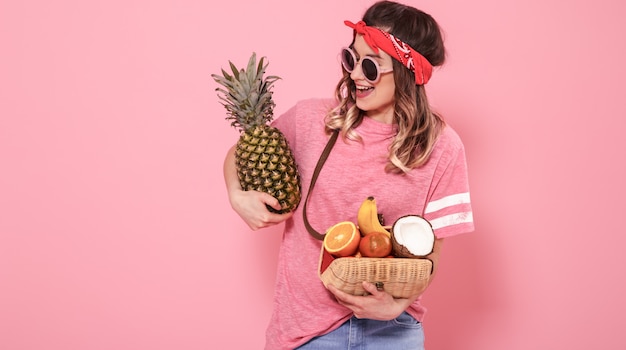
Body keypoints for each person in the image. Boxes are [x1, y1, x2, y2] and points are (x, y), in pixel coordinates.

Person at [223, 1, 474, 349]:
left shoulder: (442, 147)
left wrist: (395, 306)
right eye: (350, 58)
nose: (355, 74)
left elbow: (430, 255)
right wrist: (238, 195)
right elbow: (243, 150)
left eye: (370, 66)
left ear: (407, 72)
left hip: (393, 332)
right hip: (305, 333)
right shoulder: (311, 120)